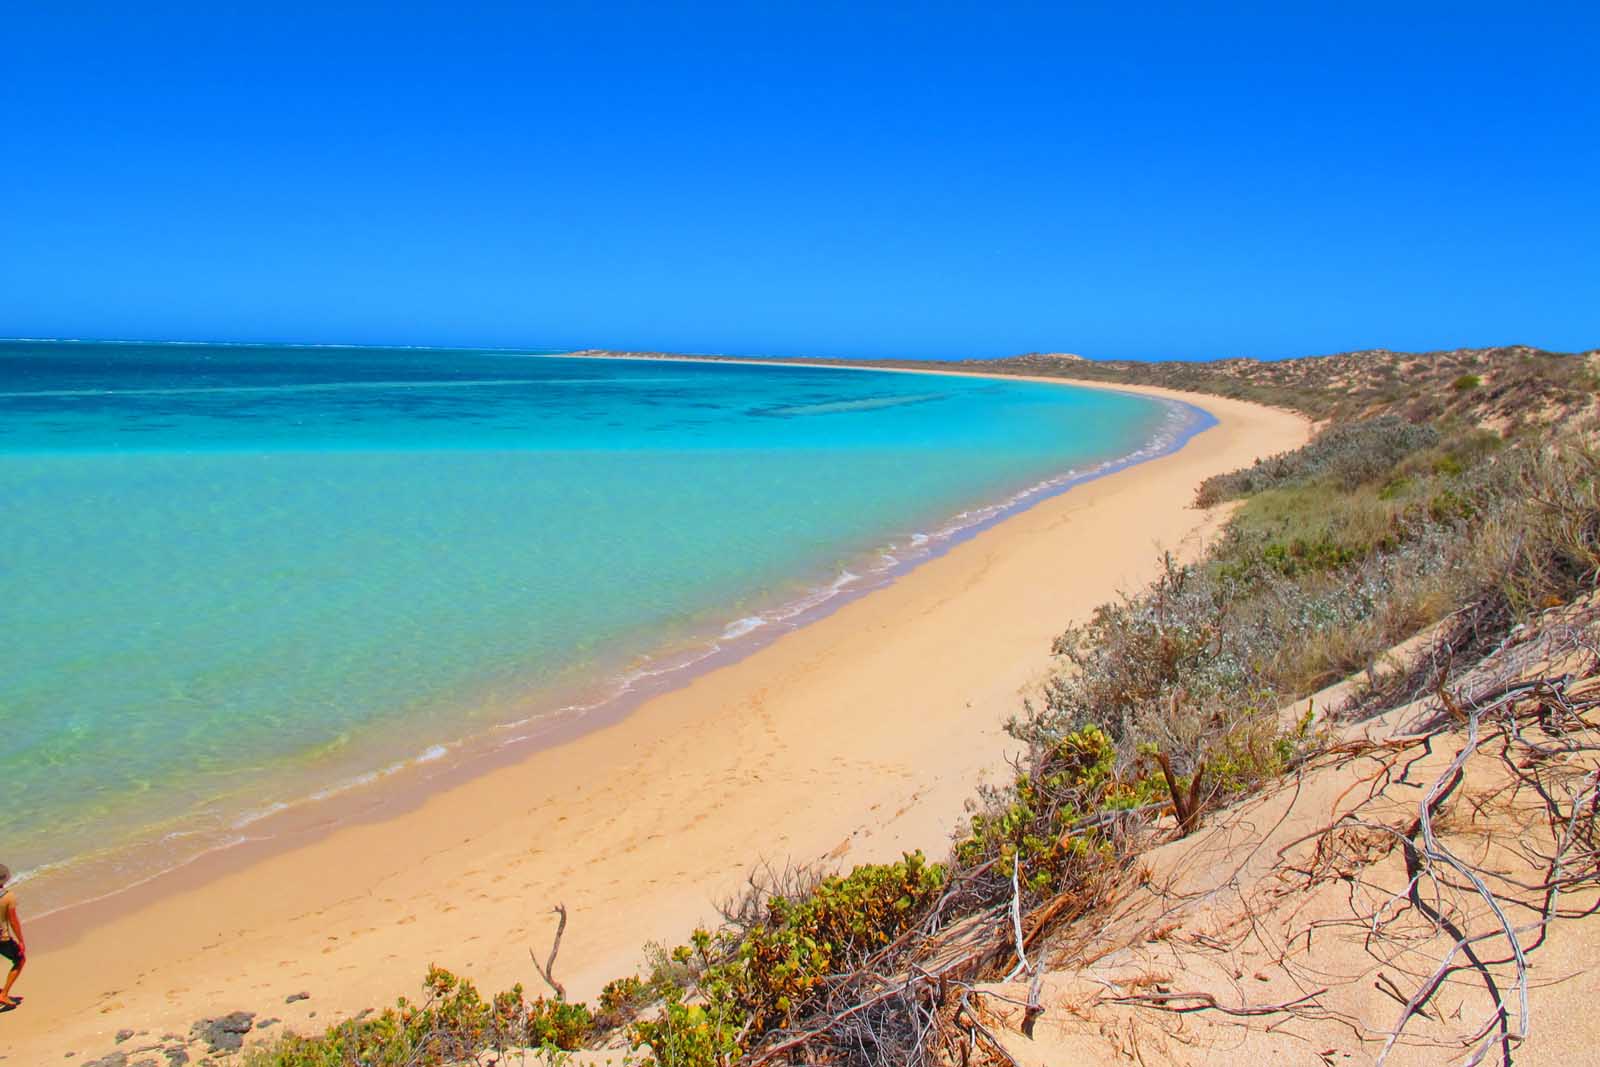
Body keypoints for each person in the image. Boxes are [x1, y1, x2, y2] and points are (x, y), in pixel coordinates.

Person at [0, 864, 24, 1008]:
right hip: (2, 938)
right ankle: (4, 994)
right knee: (20, 960)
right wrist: (21, 940)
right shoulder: (9, 897)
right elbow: (13, 921)